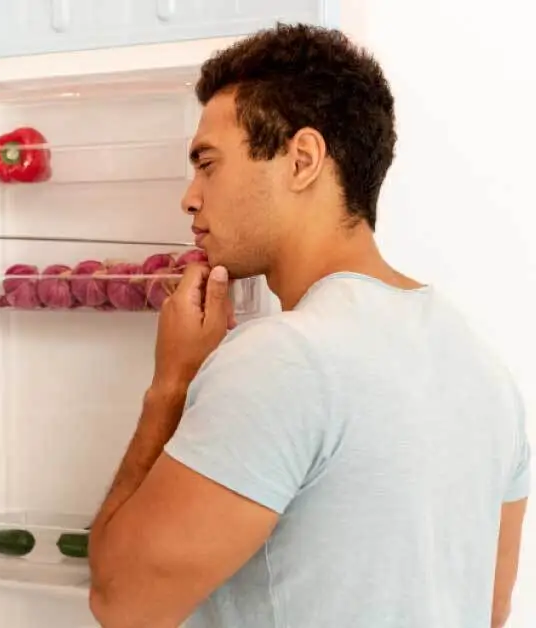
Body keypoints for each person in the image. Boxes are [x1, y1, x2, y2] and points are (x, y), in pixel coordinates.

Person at [86, 23, 530, 628]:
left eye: (207, 164)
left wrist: (174, 383)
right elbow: (489, 609)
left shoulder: (283, 358)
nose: (190, 198)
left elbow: (122, 602)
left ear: (302, 160)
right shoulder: (483, 366)